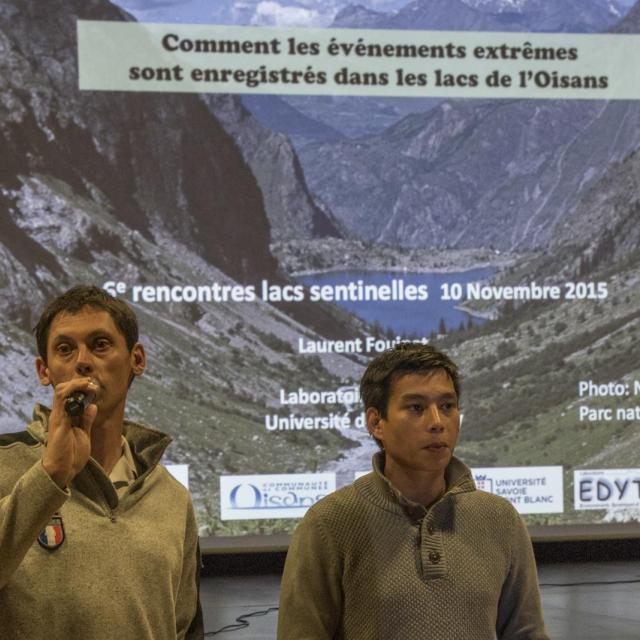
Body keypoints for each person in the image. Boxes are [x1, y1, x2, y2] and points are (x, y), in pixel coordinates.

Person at [278, 343, 549, 639]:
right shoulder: (330, 522)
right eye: (416, 408)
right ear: (376, 422)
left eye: (447, 406)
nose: (436, 423)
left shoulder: (499, 517)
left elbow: (527, 633)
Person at [0, 285, 203, 639]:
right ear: (43, 370)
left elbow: (182, 628)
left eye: (100, 344)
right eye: (65, 349)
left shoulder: (171, 498)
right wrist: (50, 475)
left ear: (136, 360)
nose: (82, 360)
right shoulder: (5, 466)